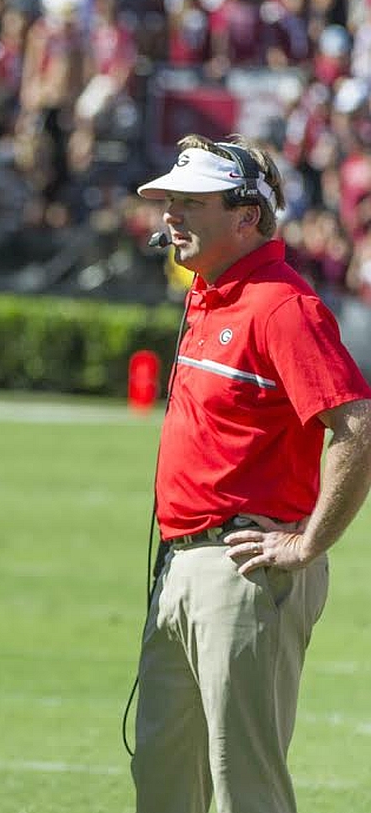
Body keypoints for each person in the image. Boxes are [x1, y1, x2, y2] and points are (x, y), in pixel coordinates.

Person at [132, 134, 371, 813]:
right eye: (169, 200)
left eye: (191, 201)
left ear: (245, 217)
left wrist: (307, 543)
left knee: (247, 789)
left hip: (242, 568)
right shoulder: (213, 294)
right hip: (180, 567)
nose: (171, 214)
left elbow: (356, 427)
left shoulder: (281, 304)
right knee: (163, 783)